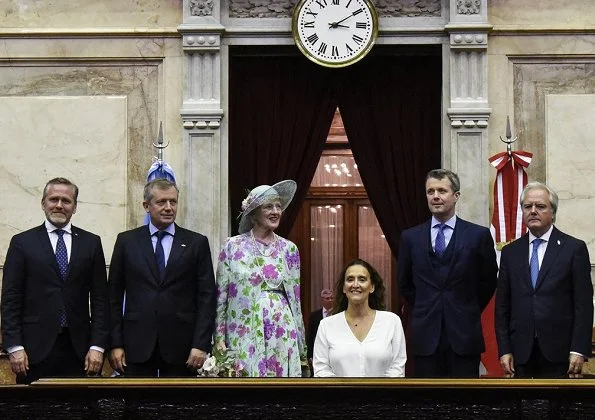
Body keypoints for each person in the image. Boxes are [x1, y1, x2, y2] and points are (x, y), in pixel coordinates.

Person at [1, 177, 108, 384]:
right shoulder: (22, 243)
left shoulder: (91, 243)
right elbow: (10, 299)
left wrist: (97, 346)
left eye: (66, 201)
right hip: (32, 351)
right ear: (43, 203)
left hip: (79, 350)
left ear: (75, 207)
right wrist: (14, 346)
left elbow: (100, 300)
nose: (59, 205)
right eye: (53, 199)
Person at [108, 178, 216, 377]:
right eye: (161, 202)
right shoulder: (126, 242)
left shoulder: (196, 243)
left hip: (183, 348)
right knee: (135, 406)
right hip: (136, 346)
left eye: (173, 202)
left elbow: (207, 297)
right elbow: (112, 297)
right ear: (146, 206)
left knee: (179, 407)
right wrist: (115, 344)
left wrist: (201, 344)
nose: (168, 208)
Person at [397, 168, 498, 377]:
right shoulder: (410, 238)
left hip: (464, 335)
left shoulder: (478, 236)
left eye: (442, 191)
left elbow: (487, 281)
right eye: (430, 191)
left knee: (464, 403)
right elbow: (405, 283)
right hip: (426, 336)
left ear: (456, 196)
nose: (435, 196)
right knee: (429, 403)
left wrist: (464, 305)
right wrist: (428, 305)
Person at [495, 182, 593, 378]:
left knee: (559, 408)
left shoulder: (573, 249)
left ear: (553, 212)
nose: (533, 211)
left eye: (540, 206)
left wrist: (578, 349)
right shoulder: (510, 252)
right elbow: (502, 307)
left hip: (561, 354)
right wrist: (504, 349)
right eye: (528, 206)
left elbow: (583, 305)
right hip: (520, 353)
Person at [215, 180, 308, 377]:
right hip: (243, 329)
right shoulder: (232, 246)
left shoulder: (289, 249)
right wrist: (218, 338)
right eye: (268, 206)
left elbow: (296, 301)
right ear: (253, 213)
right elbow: (220, 297)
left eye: (278, 206)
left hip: (281, 328)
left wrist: (301, 346)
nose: (276, 211)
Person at [313, 259, 406, 377]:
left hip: (383, 395)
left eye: (362, 279)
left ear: (372, 287)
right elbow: (321, 370)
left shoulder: (392, 322)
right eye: (350, 279)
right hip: (338, 395)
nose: (355, 285)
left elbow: (397, 368)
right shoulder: (326, 325)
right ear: (343, 288)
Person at [306, 288, 333, 373]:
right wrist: (309, 355)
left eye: (332, 298)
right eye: (327, 298)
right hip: (319, 352)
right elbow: (310, 336)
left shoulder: (338, 314)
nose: (330, 300)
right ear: (322, 300)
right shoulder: (314, 316)